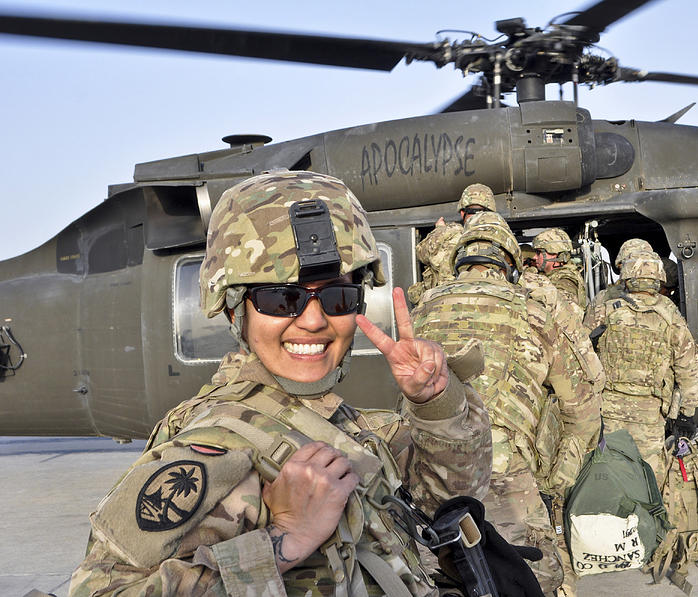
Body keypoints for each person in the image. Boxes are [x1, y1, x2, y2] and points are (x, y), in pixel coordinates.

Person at [69, 171, 493, 596]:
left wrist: (435, 401)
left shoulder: (348, 425)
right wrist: (283, 541)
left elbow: (447, 500)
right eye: (281, 298)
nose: (313, 320)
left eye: (337, 297)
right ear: (235, 311)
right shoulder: (214, 452)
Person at [412, 212, 604, 597]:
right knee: (533, 578)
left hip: (428, 474)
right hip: (504, 477)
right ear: (510, 264)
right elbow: (582, 412)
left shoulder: (422, 309)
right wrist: (555, 482)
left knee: (431, 581)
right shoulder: (532, 311)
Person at [584, 247, 698, 482]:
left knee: (612, 474)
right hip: (650, 411)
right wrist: (686, 414)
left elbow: (579, 349)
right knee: (649, 478)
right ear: (658, 278)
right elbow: (688, 368)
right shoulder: (670, 316)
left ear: (627, 276)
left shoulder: (605, 309)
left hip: (609, 410)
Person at [408, 183, 496, 304]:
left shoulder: (448, 235)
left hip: (443, 309)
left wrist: (439, 230)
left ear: (462, 213)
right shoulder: (500, 240)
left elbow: (421, 253)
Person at [531, 228, 588, 311]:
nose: (535, 257)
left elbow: (564, 307)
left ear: (555, 254)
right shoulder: (546, 275)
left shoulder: (567, 279)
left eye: (539, 252)